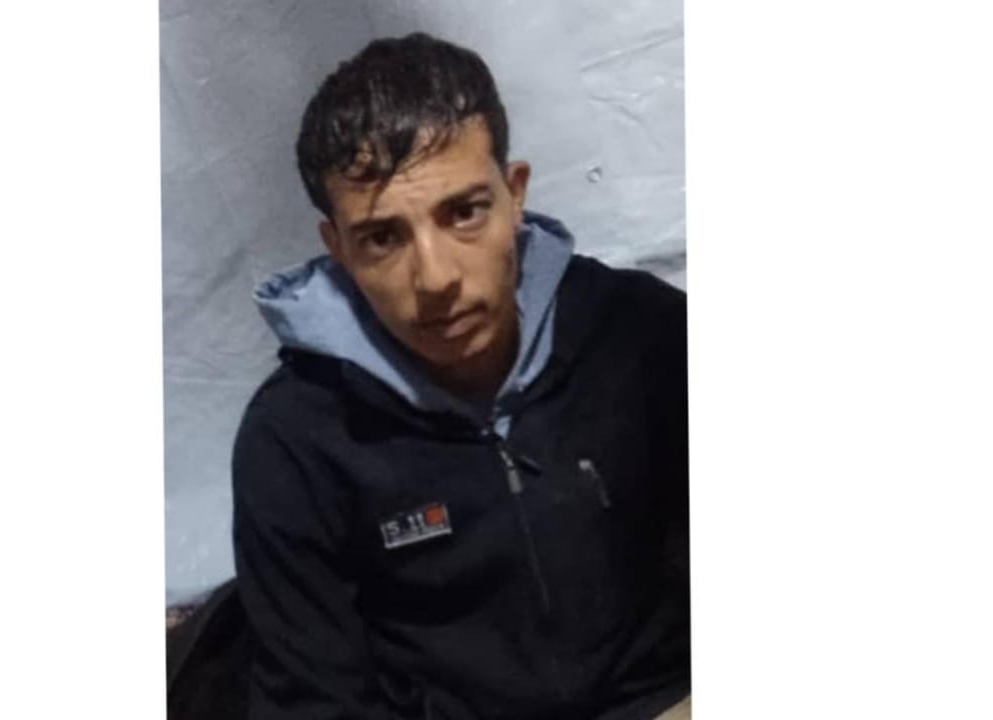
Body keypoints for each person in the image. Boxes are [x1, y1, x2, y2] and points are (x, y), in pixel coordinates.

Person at [231, 32, 690, 720]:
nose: (436, 278)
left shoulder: (645, 333)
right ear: (338, 248)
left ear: (515, 195)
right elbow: (314, 703)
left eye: (464, 212)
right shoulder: (294, 440)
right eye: (382, 237)